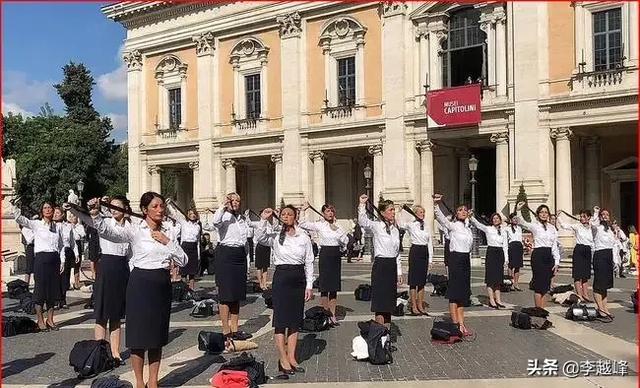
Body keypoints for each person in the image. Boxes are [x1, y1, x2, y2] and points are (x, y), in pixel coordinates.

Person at [88, 192, 187, 388]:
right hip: (140, 283)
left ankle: (153, 381)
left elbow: (183, 260)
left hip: (161, 284)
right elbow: (109, 233)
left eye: (161, 206)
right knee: (138, 337)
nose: (160, 210)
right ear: (144, 210)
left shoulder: (169, 230)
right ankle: (140, 381)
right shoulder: (134, 230)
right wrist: (96, 214)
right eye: (155, 206)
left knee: (156, 337)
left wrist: (166, 240)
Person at [67, 195, 132, 365]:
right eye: (112, 207)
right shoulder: (105, 222)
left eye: (118, 206)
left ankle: (116, 352)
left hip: (122, 269)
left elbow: (131, 253)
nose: (114, 209)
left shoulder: (131, 227)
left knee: (117, 315)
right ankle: (99, 351)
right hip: (107, 266)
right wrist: (77, 209)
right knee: (102, 314)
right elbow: (95, 223)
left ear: (125, 208)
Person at [254, 205, 314, 375]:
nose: (286, 216)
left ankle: (292, 356)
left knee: (295, 321)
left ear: (295, 217)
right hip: (282, 277)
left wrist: (309, 285)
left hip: (298, 277)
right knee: (281, 321)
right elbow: (260, 238)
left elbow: (309, 260)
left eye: (289, 214)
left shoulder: (303, 236)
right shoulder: (275, 235)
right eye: (283, 214)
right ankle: (282, 358)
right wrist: (263, 219)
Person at [13, 201, 64, 331]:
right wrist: (16, 208)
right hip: (41, 260)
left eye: (49, 208)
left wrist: (62, 261)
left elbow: (61, 245)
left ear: (53, 211)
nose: (47, 210)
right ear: (42, 211)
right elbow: (20, 219)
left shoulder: (57, 227)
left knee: (52, 292)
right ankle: (40, 320)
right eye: (45, 208)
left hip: (54, 259)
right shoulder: (36, 224)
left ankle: (50, 320)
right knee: (40, 292)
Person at [299, 202, 348, 325]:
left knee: (334, 287)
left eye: (332, 211)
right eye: (327, 211)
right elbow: (303, 224)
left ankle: (333, 314)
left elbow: (345, 241)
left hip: (336, 255)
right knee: (324, 287)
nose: (330, 213)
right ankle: (325, 313)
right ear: (323, 213)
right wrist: (303, 211)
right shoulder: (320, 225)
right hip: (325, 255)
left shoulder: (338, 226)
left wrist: (339, 232)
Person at [357, 194, 402, 328]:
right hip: (381, 266)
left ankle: (386, 334)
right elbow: (363, 221)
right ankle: (379, 333)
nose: (393, 213)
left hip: (391, 266)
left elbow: (397, 252)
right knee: (380, 304)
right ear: (382, 213)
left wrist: (399, 271)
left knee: (389, 304)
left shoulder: (395, 230)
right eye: (390, 210)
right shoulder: (377, 226)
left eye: (394, 210)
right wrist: (362, 205)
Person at [212, 193, 253, 340]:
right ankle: (225, 330)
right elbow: (215, 222)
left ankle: (235, 329)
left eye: (238, 200)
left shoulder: (241, 219)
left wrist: (247, 261)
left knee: (237, 294)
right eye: (233, 200)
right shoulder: (223, 216)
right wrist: (223, 206)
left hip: (239, 254)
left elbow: (245, 239)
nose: (235, 202)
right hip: (226, 253)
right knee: (225, 294)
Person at [433, 194, 473, 336]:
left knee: (462, 293)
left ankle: (462, 323)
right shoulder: (453, 226)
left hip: (465, 260)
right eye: (460, 210)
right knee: (454, 292)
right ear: (456, 213)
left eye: (465, 210)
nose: (463, 212)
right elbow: (441, 219)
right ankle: (455, 323)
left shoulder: (468, 229)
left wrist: (470, 219)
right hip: (455, 259)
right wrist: (436, 204)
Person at [515, 202, 560, 309]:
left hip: (549, 256)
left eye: (546, 212)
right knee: (539, 286)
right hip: (538, 256)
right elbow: (522, 222)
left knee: (546, 286)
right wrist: (518, 210)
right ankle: (538, 311)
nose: (544, 214)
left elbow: (554, 245)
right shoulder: (535, 226)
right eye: (541, 212)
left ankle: (543, 310)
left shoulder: (552, 228)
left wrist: (557, 261)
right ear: (538, 214)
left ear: (548, 214)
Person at [397, 205, 433, 315]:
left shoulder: (426, 225)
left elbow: (429, 241)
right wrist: (401, 212)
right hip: (415, 251)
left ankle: (420, 305)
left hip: (424, 251)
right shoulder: (411, 225)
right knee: (413, 281)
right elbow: (400, 225)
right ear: (415, 213)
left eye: (423, 212)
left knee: (422, 281)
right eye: (420, 212)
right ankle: (413, 305)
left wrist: (430, 259)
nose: (423, 214)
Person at [470, 212, 508, 309]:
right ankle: (491, 299)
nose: (495, 220)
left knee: (498, 279)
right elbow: (478, 225)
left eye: (497, 218)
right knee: (491, 278)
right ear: (492, 220)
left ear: (500, 220)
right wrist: (472, 217)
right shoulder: (488, 229)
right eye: (494, 218)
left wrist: (506, 258)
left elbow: (505, 245)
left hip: (500, 253)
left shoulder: (503, 231)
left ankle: (498, 299)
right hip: (491, 252)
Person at [557, 209, 594, 302]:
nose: (581, 218)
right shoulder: (577, 226)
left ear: (589, 217)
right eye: (580, 216)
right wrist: (559, 217)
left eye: (584, 216)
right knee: (578, 274)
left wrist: (596, 212)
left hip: (588, 250)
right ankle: (579, 295)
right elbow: (564, 226)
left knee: (585, 275)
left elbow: (597, 221)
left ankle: (585, 294)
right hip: (579, 250)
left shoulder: (592, 227)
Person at [589, 207, 619, 319]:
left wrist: (615, 261)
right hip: (600, 255)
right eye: (603, 214)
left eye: (607, 214)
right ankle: (600, 308)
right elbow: (592, 223)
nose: (605, 216)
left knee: (605, 285)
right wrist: (596, 212)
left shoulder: (610, 230)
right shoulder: (597, 228)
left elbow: (614, 244)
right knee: (599, 284)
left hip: (608, 256)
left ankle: (605, 307)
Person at [167, 202, 201, 290]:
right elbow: (174, 215)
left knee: (192, 273)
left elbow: (197, 241)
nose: (192, 215)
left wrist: (198, 254)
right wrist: (169, 205)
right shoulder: (183, 223)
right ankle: (184, 290)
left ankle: (192, 290)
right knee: (184, 271)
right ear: (188, 215)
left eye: (194, 214)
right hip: (185, 246)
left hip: (193, 247)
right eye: (190, 214)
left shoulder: (197, 226)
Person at [251, 208, 276, 291]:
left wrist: (275, 216)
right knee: (259, 266)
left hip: (267, 246)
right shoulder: (257, 223)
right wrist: (246, 215)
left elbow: (274, 228)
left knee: (265, 266)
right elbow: (248, 223)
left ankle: (264, 283)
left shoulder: (269, 224)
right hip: (260, 246)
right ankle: (260, 283)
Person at [506, 213, 524, 291]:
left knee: (518, 266)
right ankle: (511, 282)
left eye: (516, 218)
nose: (515, 220)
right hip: (512, 247)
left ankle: (516, 283)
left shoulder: (519, 228)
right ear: (511, 220)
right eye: (514, 218)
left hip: (519, 247)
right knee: (511, 266)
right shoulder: (507, 228)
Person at [21, 219, 36, 285]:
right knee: (29, 267)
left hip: (39, 247)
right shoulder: (25, 229)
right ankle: (26, 284)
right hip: (31, 247)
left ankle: (38, 284)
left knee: (38, 267)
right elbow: (30, 240)